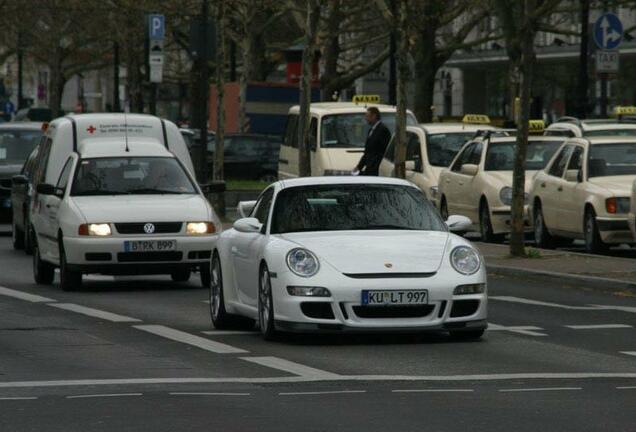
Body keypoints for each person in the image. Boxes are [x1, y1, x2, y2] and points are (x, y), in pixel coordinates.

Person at [354, 107, 391, 176]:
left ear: (374, 116)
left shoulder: (383, 130)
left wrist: (374, 165)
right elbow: (367, 151)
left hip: (376, 168)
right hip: (369, 168)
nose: (366, 119)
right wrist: (359, 167)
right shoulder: (371, 130)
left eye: (367, 116)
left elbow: (383, 151)